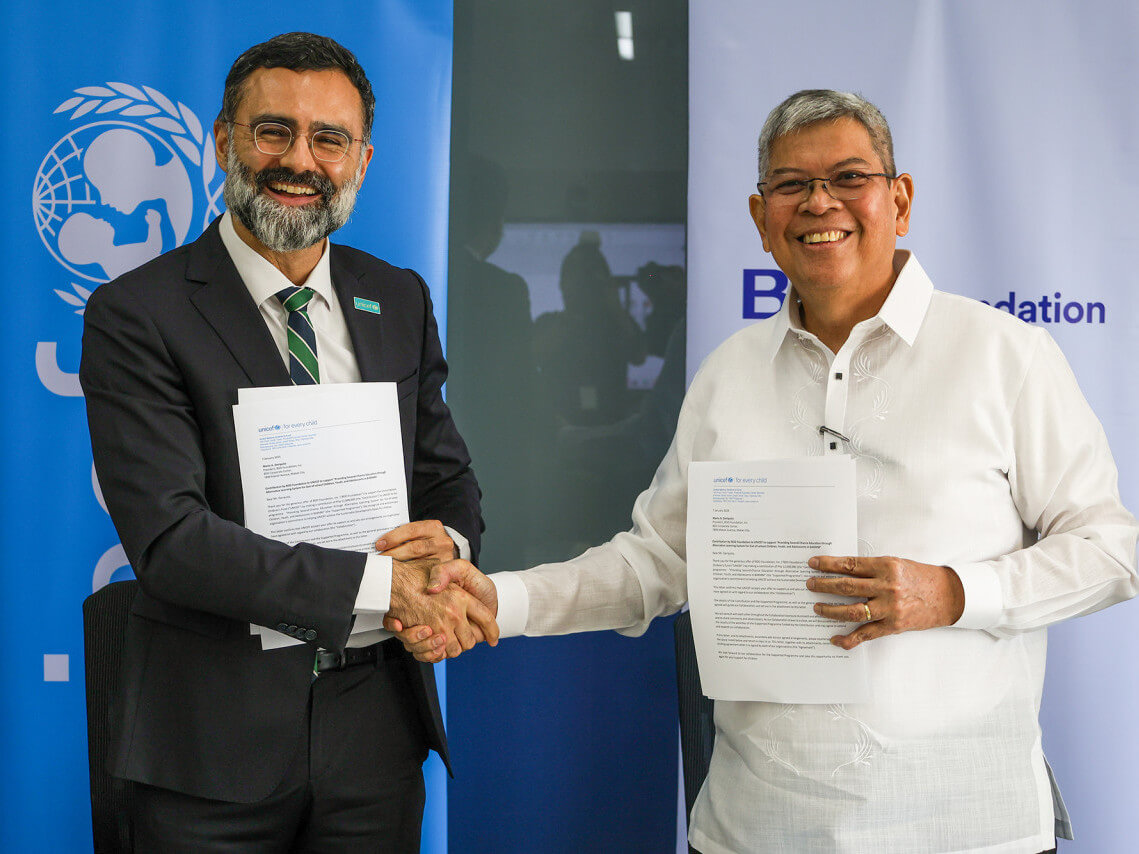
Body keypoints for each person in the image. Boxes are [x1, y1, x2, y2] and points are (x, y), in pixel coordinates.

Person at [390, 90, 1139, 853]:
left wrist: (951, 592)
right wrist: (500, 600)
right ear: (760, 217)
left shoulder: (1004, 356)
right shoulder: (730, 373)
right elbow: (657, 564)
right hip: (754, 828)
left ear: (899, 200)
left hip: (963, 828)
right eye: (791, 184)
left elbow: (1112, 551)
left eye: (848, 178)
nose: (819, 202)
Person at [80, 32, 494, 852]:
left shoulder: (396, 298)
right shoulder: (138, 313)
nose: (300, 160)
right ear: (223, 140)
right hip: (212, 744)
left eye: (328, 138)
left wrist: (445, 552)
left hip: (375, 732)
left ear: (362, 160)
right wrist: (383, 584)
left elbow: (445, 479)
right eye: (273, 131)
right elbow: (171, 542)